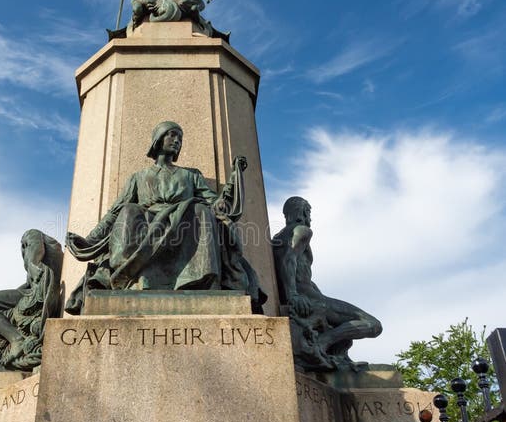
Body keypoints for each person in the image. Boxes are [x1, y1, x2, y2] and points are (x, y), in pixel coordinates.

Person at [65, 122, 266, 314]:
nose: (177, 140)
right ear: (158, 139)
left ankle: (196, 281)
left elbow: (214, 203)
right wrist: (90, 240)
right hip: (147, 222)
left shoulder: (191, 175)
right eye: (172, 135)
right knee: (129, 210)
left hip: (185, 223)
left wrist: (230, 186)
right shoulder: (139, 177)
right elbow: (114, 212)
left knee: (200, 210)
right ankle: (133, 276)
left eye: (180, 137)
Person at [272, 197, 382, 373]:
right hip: (313, 301)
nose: (310, 218)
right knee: (373, 325)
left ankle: (327, 346)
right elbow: (289, 259)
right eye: (309, 213)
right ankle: (323, 343)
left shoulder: (278, 237)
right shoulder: (302, 230)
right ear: (303, 213)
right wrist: (293, 295)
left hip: (309, 296)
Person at [0, 229, 63, 370]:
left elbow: (36, 245)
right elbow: (27, 284)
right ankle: (14, 338)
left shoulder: (31, 235)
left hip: (37, 294)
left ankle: (16, 339)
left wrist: (33, 265)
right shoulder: (44, 259)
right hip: (31, 292)